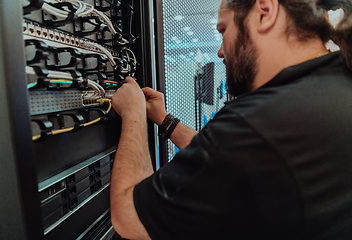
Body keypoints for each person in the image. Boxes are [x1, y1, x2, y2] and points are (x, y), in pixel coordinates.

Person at [110, 0, 352, 239]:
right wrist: (164, 120)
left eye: (223, 30)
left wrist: (134, 112)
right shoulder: (332, 87)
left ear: (264, 12)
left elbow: (127, 215)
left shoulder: (259, 120)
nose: (220, 51)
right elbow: (228, 157)